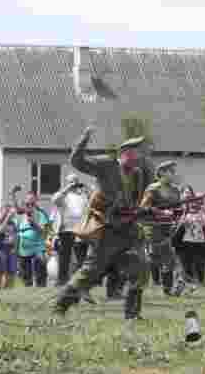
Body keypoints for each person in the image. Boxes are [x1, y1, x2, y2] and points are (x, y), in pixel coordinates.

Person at [54, 130, 153, 320]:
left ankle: (132, 314)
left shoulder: (138, 174)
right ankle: (60, 306)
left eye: (141, 153)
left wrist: (142, 211)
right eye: (136, 152)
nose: (140, 156)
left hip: (128, 230)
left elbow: (134, 203)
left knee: (141, 266)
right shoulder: (107, 164)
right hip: (106, 229)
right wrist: (83, 140)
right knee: (90, 272)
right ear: (124, 153)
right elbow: (77, 161)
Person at [139, 161, 183, 295]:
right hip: (154, 228)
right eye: (171, 171)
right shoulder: (153, 189)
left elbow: (177, 208)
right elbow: (144, 208)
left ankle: (168, 288)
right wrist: (160, 212)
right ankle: (171, 286)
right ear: (162, 172)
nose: (173, 174)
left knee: (167, 260)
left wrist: (177, 216)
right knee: (166, 258)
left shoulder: (175, 189)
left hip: (168, 228)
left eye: (174, 171)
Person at [52, 174, 90, 283]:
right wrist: (67, 188)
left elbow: (92, 201)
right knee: (65, 256)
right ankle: (62, 280)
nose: (74, 184)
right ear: (67, 182)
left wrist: (86, 188)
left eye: (75, 181)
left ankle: (80, 281)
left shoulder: (82, 195)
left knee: (81, 257)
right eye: (71, 181)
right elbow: (54, 200)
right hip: (66, 229)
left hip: (81, 229)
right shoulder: (63, 195)